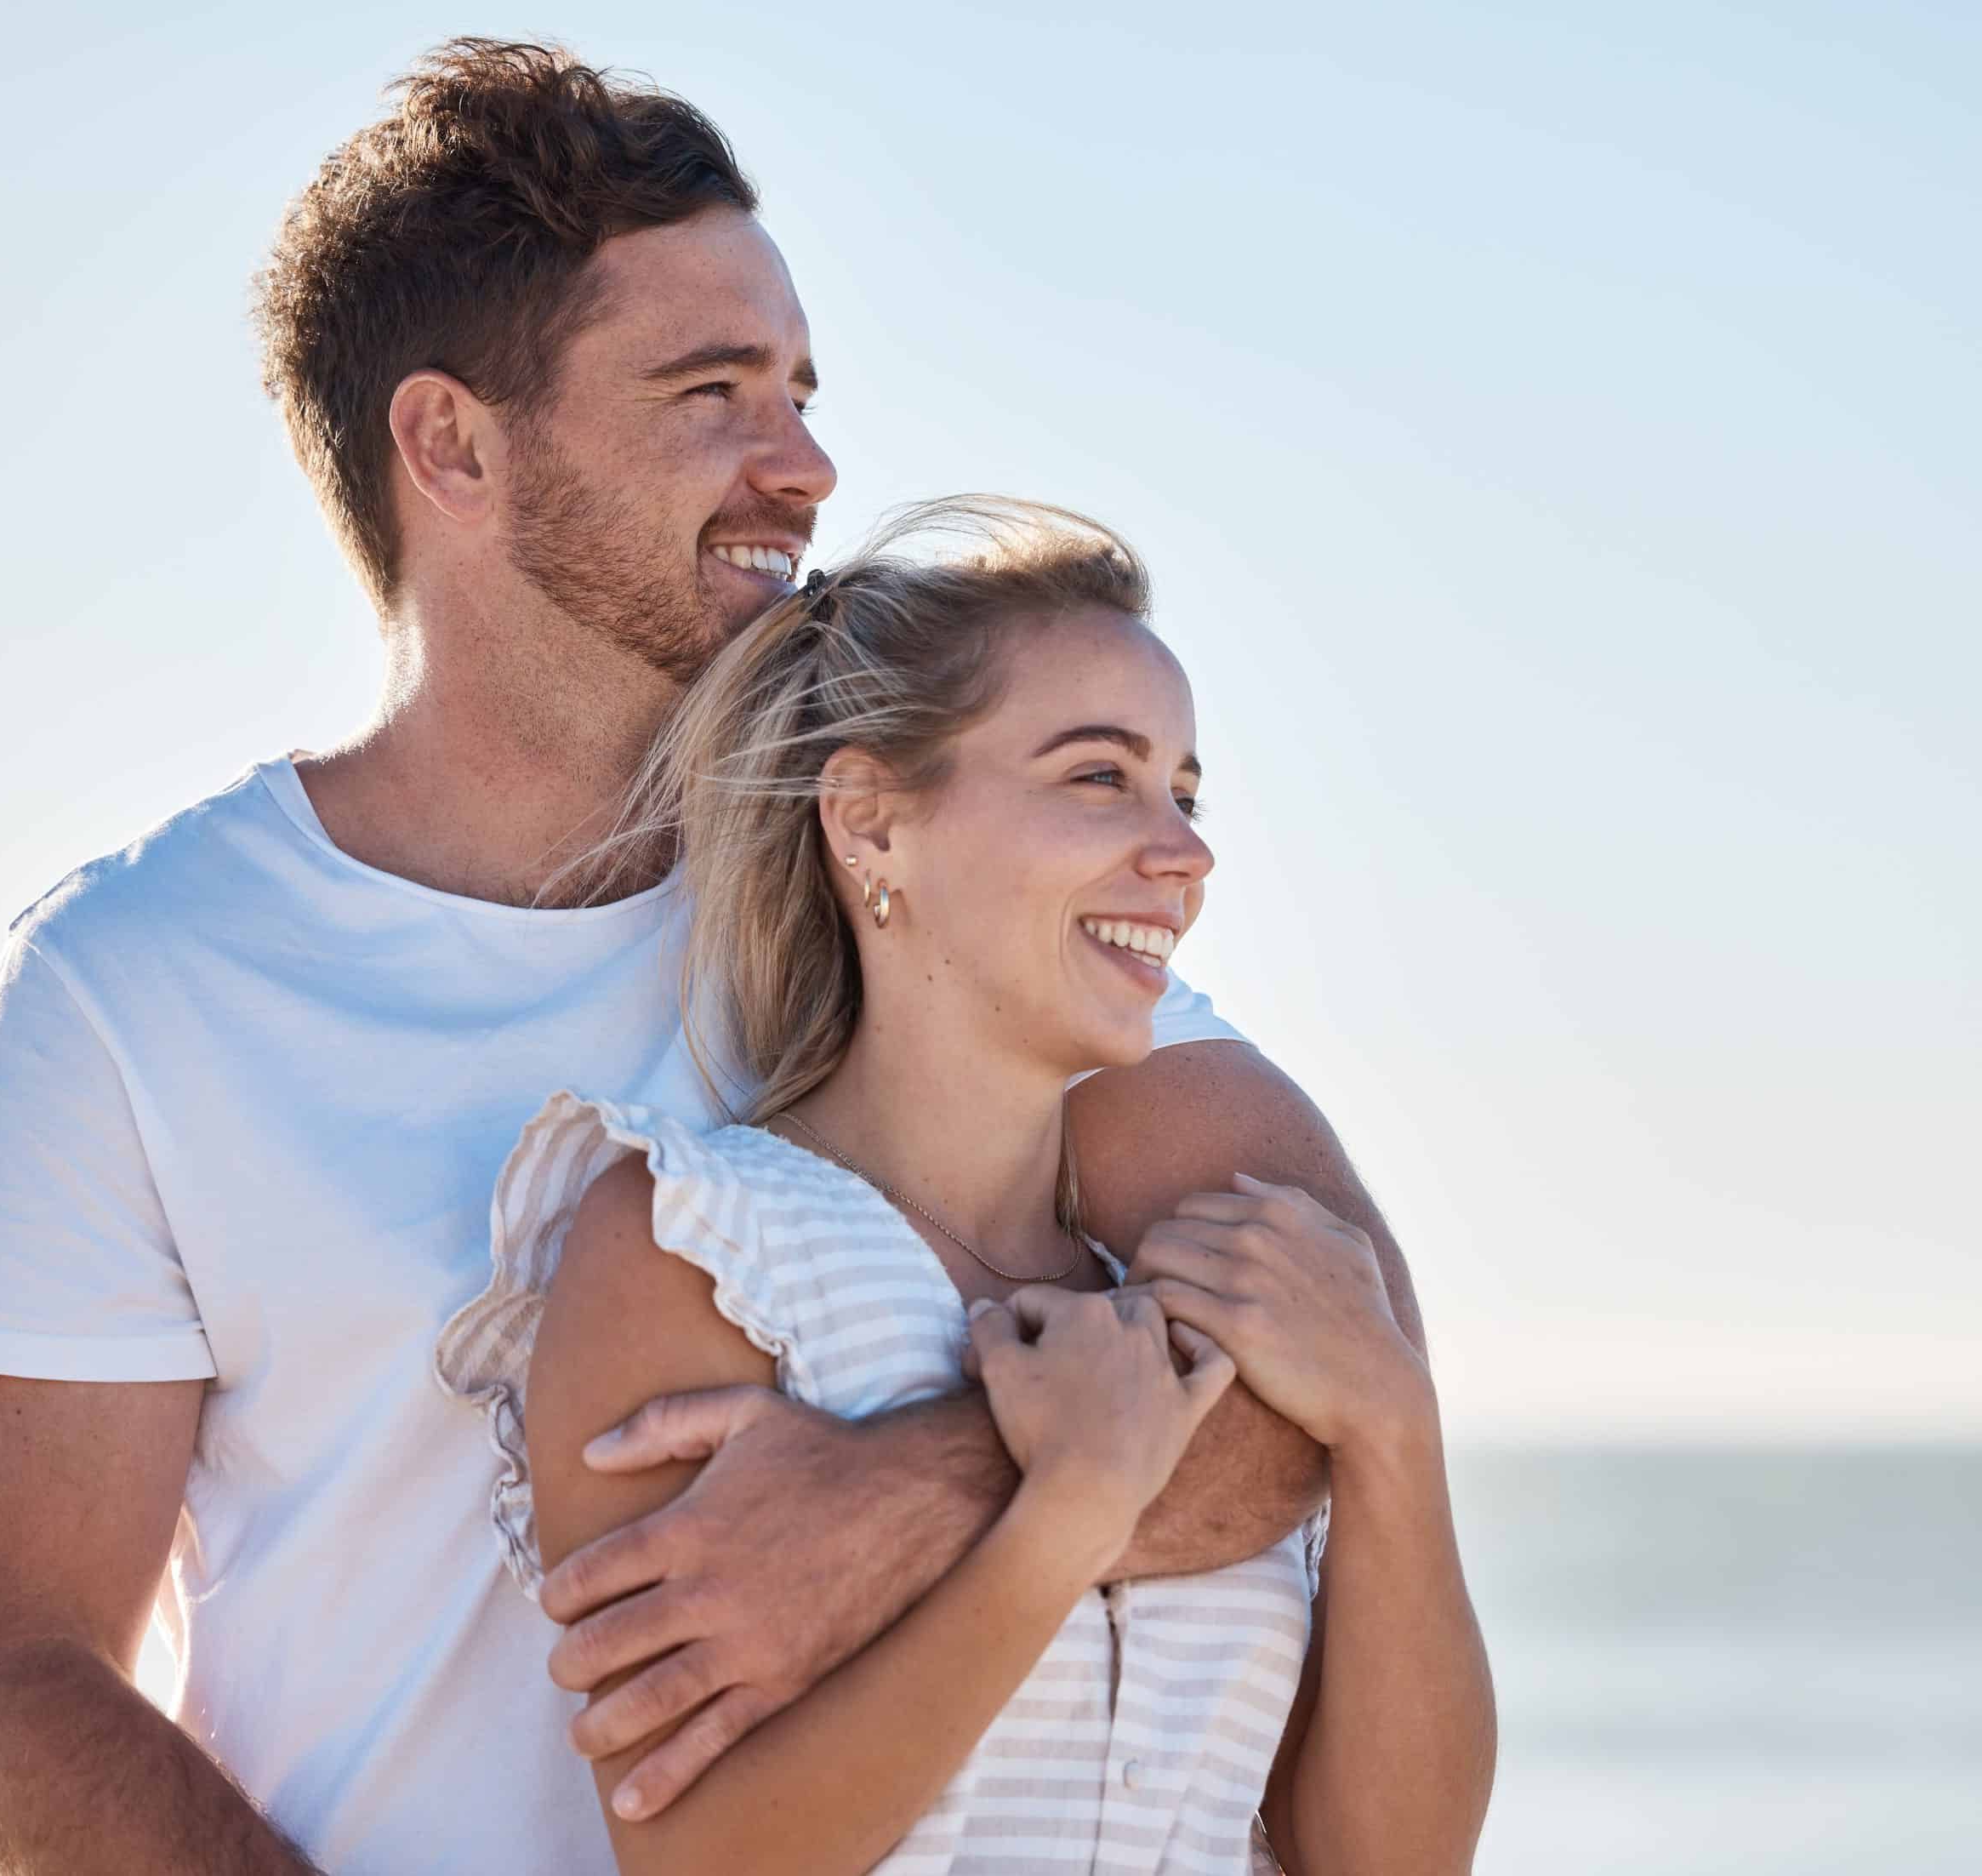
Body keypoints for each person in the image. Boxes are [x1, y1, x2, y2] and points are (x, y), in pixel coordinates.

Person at [0, 39, 1448, 1875]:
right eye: (713, 393)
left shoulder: (909, 884)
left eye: (798, 388)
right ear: (452, 443)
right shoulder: (133, 986)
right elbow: (6, 1683)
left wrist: (899, 1494)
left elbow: (1326, 1374)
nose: (808, 466)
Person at [440, 500, 1494, 1874]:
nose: (1183, 855)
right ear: (871, 823)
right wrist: (1061, 1515)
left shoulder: (1203, 1294)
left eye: (1183, 791)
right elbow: (699, 1860)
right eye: (1098, 779)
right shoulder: (694, 1242)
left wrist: (1395, 1429)